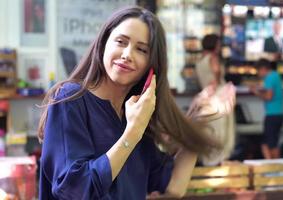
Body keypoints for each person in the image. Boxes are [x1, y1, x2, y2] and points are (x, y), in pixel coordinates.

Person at [38, 6, 222, 199]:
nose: (127, 54)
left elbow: (174, 187)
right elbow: (77, 189)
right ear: (103, 44)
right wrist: (132, 133)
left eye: (141, 50)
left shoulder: (135, 114)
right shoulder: (70, 100)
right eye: (121, 42)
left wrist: (199, 122)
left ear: (152, 67)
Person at [195, 34, 236, 166]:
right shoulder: (213, 58)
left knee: (209, 129)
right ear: (214, 45)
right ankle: (219, 161)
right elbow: (216, 74)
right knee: (221, 130)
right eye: (218, 44)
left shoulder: (199, 60)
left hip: (206, 97)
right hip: (218, 96)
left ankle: (209, 160)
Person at [250, 59, 283, 159]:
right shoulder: (276, 75)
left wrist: (256, 92)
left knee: (271, 145)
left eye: (258, 71)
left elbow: (269, 96)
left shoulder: (269, 78)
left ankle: (274, 168)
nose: (258, 74)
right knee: (266, 143)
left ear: (263, 69)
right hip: (279, 114)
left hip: (272, 115)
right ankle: (270, 167)